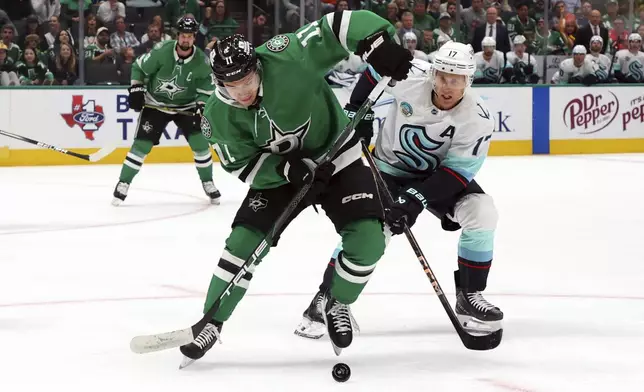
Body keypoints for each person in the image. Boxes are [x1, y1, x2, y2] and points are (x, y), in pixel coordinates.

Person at [177, 9, 413, 367]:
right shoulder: (215, 115)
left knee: (368, 240)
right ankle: (211, 322)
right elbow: (242, 165)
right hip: (280, 177)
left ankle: (337, 302)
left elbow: (337, 26)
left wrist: (377, 43)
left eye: (247, 80)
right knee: (242, 245)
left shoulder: (286, 55)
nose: (241, 91)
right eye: (231, 85)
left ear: (257, 66)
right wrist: (287, 169)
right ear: (217, 81)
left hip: (337, 157)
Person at [295, 41, 503, 340]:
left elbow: (456, 172)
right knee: (370, 230)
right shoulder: (412, 75)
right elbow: (374, 71)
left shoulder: (478, 118)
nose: (447, 85)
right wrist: (359, 112)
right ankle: (328, 298)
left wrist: (416, 199)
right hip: (386, 171)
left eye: (456, 80)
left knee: (482, 212)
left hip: (436, 178)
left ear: (468, 81)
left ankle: (469, 296)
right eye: (443, 76)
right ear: (433, 73)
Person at [113, 16, 221, 206]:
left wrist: (202, 105)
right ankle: (123, 183)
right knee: (142, 146)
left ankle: (208, 181)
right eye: (183, 36)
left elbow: (206, 90)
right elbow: (138, 67)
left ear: (194, 37)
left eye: (190, 36)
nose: (186, 40)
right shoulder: (161, 51)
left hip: (186, 106)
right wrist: (137, 87)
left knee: (200, 144)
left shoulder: (202, 62)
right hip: (156, 104)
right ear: (177, 36)